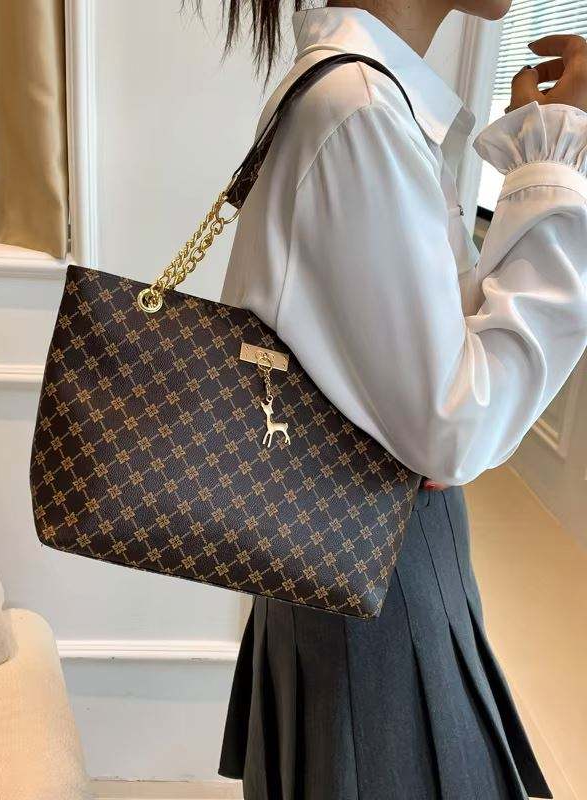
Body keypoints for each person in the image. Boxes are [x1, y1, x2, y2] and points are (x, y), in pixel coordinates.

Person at [211, 1, 587, 798]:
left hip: (351, 549)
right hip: (378, 564)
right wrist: (560, 160)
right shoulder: (360, 110)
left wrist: (543, 160)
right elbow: (458, 427)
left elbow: (432, 345)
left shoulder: (357, 93)